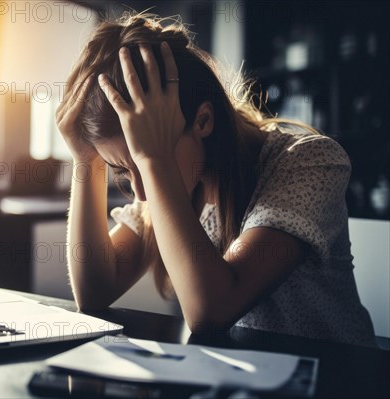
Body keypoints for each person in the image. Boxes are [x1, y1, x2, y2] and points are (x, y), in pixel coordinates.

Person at [56, 13, 376, 347]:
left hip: (335, 378)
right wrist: (85, 161)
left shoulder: (310, 162)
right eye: (122, 171)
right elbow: (94, 292)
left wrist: (153, 160)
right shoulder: (165, 179)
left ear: (203, 120)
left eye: (147, 155)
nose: (141, 192)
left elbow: (210, 311)